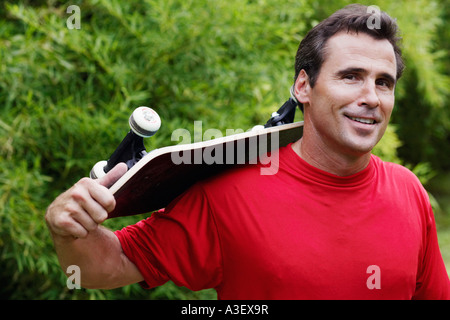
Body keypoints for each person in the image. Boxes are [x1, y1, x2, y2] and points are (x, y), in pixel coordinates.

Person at [45, 4, 450, 299]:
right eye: (351, 77)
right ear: (303, 87)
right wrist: (70, 230)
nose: (371, 97)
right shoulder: (230, 192)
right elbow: (103, 267)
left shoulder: (408, 192)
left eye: (384, 82)